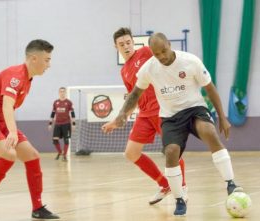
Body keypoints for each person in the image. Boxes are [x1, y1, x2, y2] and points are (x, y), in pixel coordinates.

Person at [102, 32, 243, 216]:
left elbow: (208, 87)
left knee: (195, 139)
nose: (161, 56)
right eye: (122, 44)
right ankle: (172, 191)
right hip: (157, 115)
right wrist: (120, 116)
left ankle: (220, 184)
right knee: (150, 152)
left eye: (129, 42)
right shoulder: (137, 69)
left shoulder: (167, 56)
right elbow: (134, 94)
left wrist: (222, 117)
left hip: (180, 109)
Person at [0, 39, 60, 220]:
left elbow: (5, 109)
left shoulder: (28, 78)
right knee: (10, 154)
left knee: (32, 156)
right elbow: (7, 106)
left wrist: (10, 131)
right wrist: (13, 132)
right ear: (34, 58)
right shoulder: (16, 75)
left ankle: (38, 208)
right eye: (47, 60)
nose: (49, 64)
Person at [104, 27, 187, 205]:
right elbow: (133, 98)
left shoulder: (145, 52)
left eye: (128, 42)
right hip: (144, 114)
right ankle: (165, 185)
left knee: (173, 150)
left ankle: (182, 188)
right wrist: (117, 120)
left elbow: (167, 58)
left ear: (133, 42)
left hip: (161, 109)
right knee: (131, 153)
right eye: (121, 44)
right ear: (115, 47)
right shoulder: (124, 71)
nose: (126, 46)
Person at [48, 87, 76, 161]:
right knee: (55, 140)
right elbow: (53, 113)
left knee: (66, 140)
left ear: (65, 92)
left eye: (63, 91)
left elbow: (72, 113)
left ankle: (64, 155)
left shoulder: (69, 102)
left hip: (66, 124)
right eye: (61, 91)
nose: (62, 93)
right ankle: (60, 152)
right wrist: (50, 123)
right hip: (57, 123)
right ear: (59, 92)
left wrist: (73, 124)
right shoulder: (56, 102)